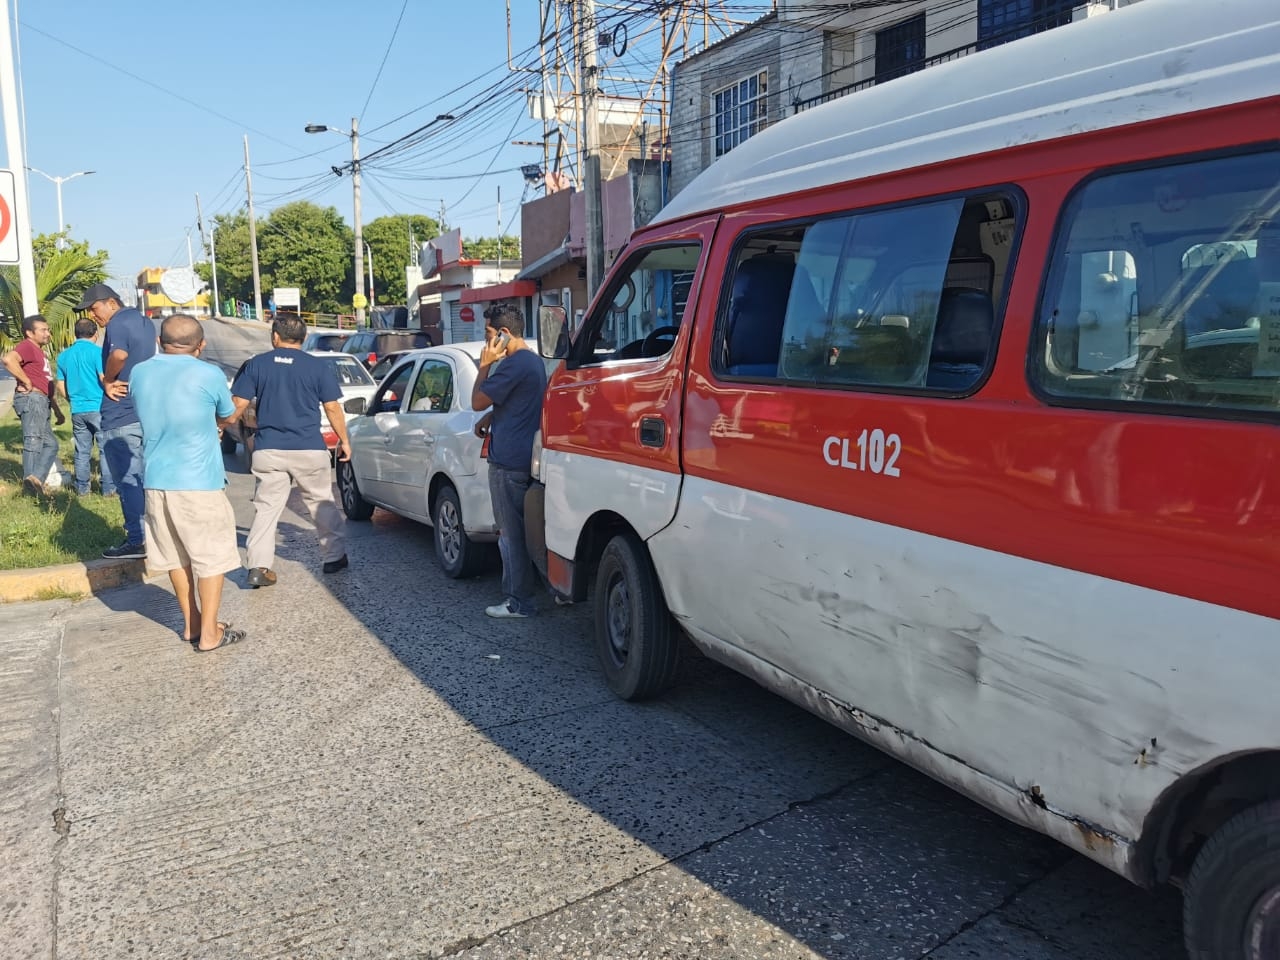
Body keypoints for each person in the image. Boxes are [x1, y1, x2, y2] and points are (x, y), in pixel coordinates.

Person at [130, 315, 246, 652]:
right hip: (198, 481)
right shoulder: (208, 373)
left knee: (175, 556)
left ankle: (191, 623)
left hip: (156, 480)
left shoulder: (139, 372)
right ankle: (210, 632)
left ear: (158, 342)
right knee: (211, 557)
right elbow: (226, 415)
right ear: (201, 345)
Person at [232, 313, 351, 586]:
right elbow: (332, 407)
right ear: (304, 338)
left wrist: (220, 424)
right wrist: (344, 440)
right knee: (321, 501)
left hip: (268, 449)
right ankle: (333, 557)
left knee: (266, 508)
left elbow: (238, 403)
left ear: (274, 336)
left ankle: (259, 567)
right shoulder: (316, 366)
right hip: (308, 447)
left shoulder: (256, 365)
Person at [470, 303, 547, 619]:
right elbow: (519, 403)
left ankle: (519, 602)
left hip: (508, 462)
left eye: (488, 334)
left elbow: (475, 400)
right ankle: (536, 593)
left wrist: (484, 366)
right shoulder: (532, 362)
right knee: (524, 532)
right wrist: (493, 413)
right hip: (523, 456)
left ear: (502, 334)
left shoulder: (514, 364)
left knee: (510, 535)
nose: (485, 341)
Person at [76, 283, 156, 559]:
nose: (93, 315)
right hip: (143, 408)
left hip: (120, 412)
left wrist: (109, 380)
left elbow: (119, 355)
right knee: (146, 477)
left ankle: (137, 541)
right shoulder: (145, 322)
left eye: (94, 308)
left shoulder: (118, 324)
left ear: (111, 302)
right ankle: (156, 538)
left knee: (127, 478)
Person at [2, 314, 65, 495]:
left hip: (41, 400)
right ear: (30, 333)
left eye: (48, 329)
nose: (48, 333)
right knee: (33, 441)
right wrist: (26, 381)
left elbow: (46, 384)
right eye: (43, 330)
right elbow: (8, 360)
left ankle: (35, 479)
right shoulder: (27, 346)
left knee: (50, 444)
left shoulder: (39, 351)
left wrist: (57, 410)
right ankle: (31, 487)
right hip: (32, 399)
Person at [56, 318, 116, 497]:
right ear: (95, 334)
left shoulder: (64, 356)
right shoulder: (98, 352)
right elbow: (103, 376)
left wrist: (72, 400)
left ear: (75, 334)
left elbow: (60, 384)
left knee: (82, 451)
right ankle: (108, 488)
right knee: (105, 448)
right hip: (98, 406)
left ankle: (82, 488)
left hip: (77, 409)